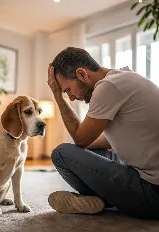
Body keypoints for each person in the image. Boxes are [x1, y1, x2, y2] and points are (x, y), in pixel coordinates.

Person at [47, 47, 159, 219]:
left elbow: (81, 138)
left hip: (152, 193)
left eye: (68, 90)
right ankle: (100, 199)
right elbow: (103, 142)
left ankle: (99, 200)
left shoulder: (108, 87)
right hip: (149, 180)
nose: (71, 97)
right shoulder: (125, 77)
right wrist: (83, 152)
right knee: (87, 151)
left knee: (62, 154)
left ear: (82, 74)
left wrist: (57, 96)